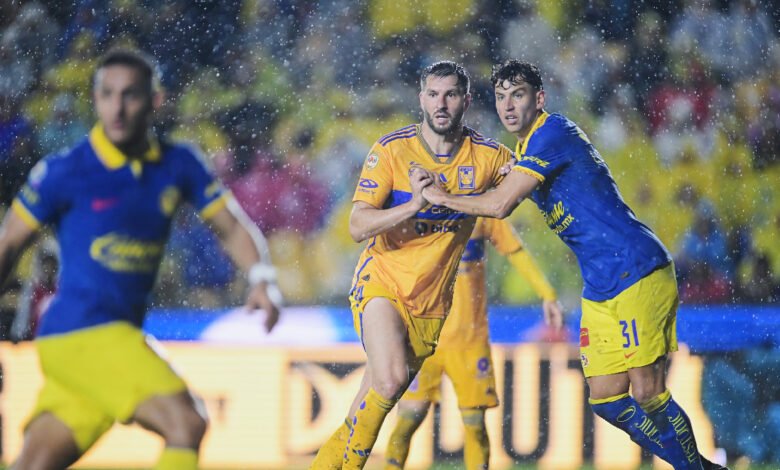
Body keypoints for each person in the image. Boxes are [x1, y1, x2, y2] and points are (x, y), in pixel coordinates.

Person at [421, 60, 726, 470]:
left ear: (539, 98)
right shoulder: (526, 150)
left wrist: (440, 198)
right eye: (500, 97)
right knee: (607, 399)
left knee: (648, 394)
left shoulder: (553, 133)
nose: (508, 105)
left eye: (518, 94)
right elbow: (489, 181)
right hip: (600, 285)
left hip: (635, 268)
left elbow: (498, 204)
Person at [0, 48, 282, 470]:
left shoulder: (178, 164)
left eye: (129, 95)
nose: (117, 107)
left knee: (34, 464)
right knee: (187, 423)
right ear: (94, 99)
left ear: (155, 101)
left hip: (101, 341)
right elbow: (9, 242)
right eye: (107, 94)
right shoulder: (65, 171)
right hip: (83, 332)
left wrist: (262, 279)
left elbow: (231, 226)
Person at [310, 61, 526, 469]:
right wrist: (413, 205)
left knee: (363, 411)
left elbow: (520, 191)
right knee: (390, 381)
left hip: (431, 308)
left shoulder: (488, 157)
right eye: (432, 94)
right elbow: (357, 225)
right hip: (383, 282)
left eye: (450, 94)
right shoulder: (392, 150)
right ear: (420, 98)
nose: (440, 104)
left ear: (466, 99)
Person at [383, 216, 563, 469]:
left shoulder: (481, 210)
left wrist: (547, 293)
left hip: (470, 341)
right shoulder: (418, 209)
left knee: (475, 424)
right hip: (423, 338)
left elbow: (515, 250)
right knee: (408, 419)